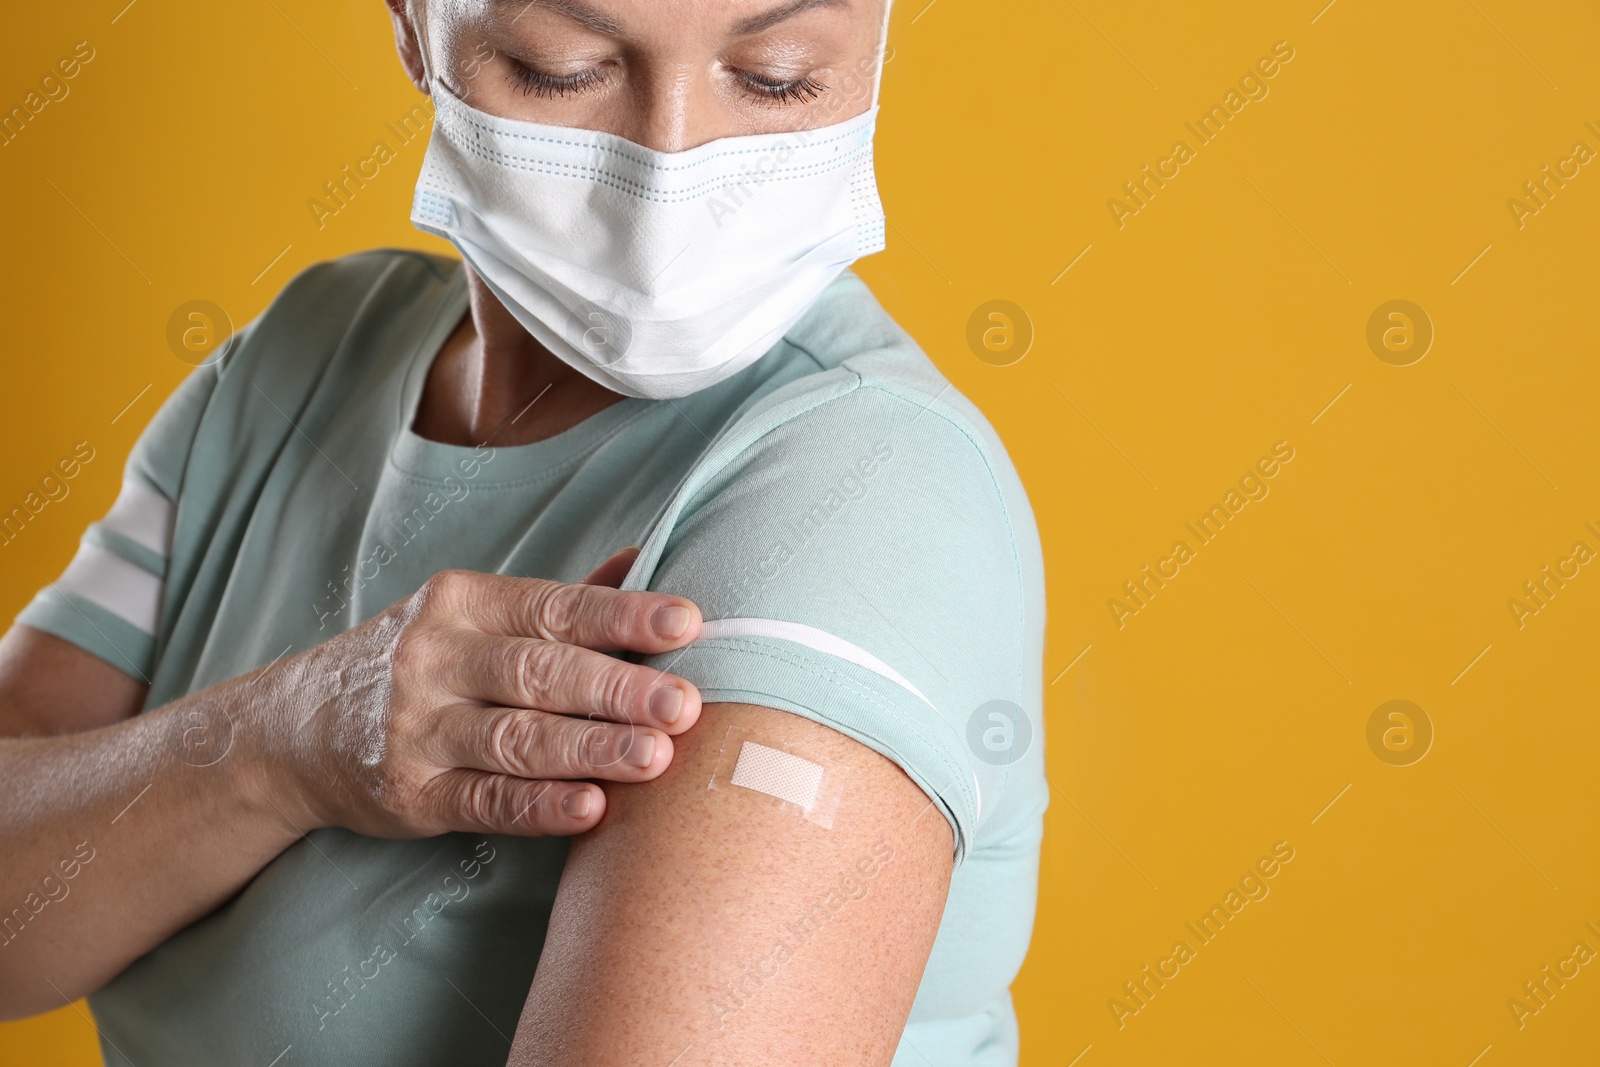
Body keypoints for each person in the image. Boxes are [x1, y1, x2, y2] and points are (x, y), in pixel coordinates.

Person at [0, 0, 1047, 1062]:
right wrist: (280, 743)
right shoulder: (300, 360)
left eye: (776, 76)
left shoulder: (856, 489)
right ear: (414, 26)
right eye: (562, 68)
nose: (671, 160)